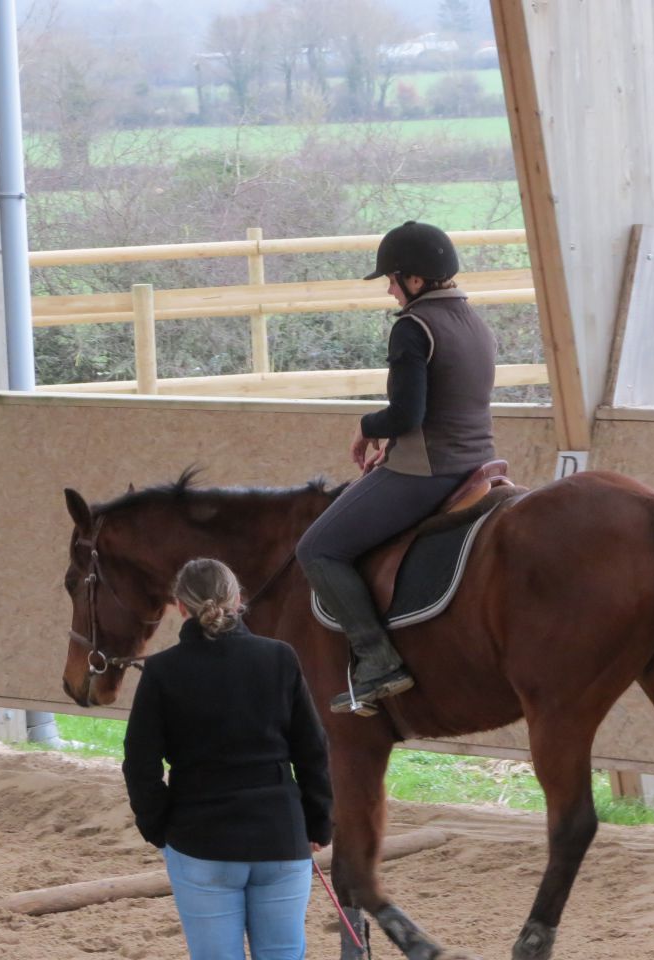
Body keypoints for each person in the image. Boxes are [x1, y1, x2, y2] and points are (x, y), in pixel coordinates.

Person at [295, 221, 498, 715]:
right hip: (478, 463)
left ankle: (377, 660)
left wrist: (368, 425)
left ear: (415, 279)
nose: (389, 289)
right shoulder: (475, 322)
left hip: (426, 472)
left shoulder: (414, 327)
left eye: (392, 279)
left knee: (317, 548)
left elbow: (407, 415)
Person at [122, 558, 333, 960]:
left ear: (180, 606)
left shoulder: (162, 670)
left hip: (200, 840)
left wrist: (159, 828)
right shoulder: (280, 657)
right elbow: (313, 750)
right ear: (237, 600)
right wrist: (318, 822)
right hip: (281, 837)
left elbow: (140, 764)